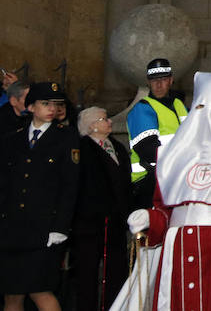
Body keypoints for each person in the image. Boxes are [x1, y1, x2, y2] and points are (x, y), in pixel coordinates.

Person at [122, 72, 211, 311]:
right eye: (200, 108)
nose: (207, 116)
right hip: (177, 249)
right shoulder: (174, 153)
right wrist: (150, 219)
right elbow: (166, 211)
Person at [0, 81, 80, 311]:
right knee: (12, 294)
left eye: (56, 104)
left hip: (44, 229)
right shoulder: (13, 138)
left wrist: (60, 227)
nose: (52, 109)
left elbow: (70, 186)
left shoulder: (66, 138)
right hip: (12, 228)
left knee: (41, 291)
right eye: (45, 103)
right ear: (31, 107)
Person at [72, 107, 131, 311]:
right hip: (90, 222)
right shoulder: (82, 149)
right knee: (87, 272)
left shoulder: (117, 147)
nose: (109, 122)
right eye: (104, 119)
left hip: (116, 220)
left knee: (116, 269)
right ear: (92, 126)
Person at [126, 57, 188, 209]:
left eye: (163, 79)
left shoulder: (179, 105)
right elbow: (148, 150)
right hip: (149, 182)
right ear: (148, 82)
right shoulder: (142, 108)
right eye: (154, 80)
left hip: (176, 177)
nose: (159, 84)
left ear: (171, 81)